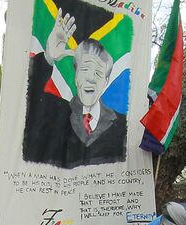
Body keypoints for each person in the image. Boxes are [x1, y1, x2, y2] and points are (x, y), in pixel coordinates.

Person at [23, 10, 127, 169]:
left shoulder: (122, 127)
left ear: (106, 81)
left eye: (98, 73)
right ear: (76, 75)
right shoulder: (53, 110)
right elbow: (24, 96)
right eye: (85, 70)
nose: (91, 78)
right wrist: (48, 57)